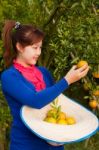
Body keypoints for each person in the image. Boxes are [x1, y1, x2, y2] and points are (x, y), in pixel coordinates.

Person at [1, 20, 89, 150]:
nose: (39, 53)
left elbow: (57, 103)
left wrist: (61, 134)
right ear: (19, 47)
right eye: (34, 48)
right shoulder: (9, 77)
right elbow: (35, 100)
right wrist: (67, 80)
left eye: (40, 47)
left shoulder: (43, 72)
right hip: (26, 145)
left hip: (54, 144)